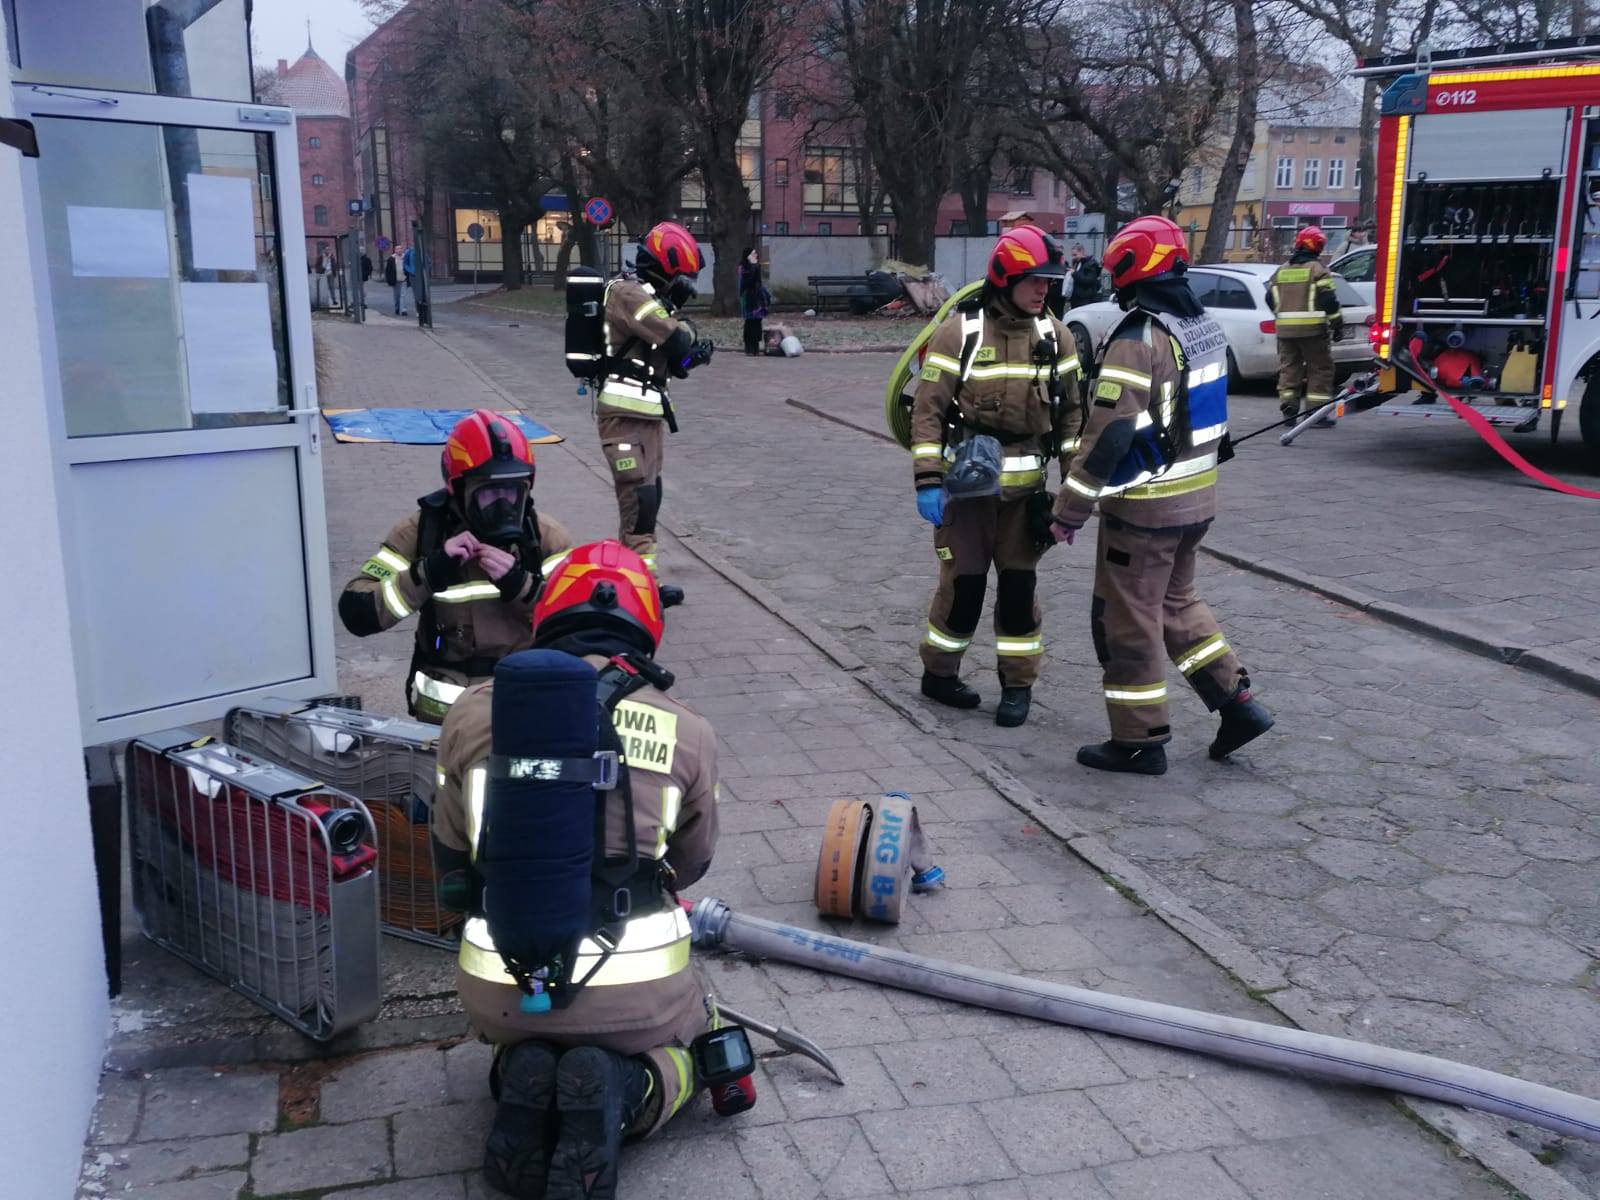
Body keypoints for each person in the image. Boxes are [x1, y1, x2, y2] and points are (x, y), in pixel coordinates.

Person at [431, 540, 720, 1199]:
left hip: (502, 979)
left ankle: (518, 1067)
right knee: (698, 1039)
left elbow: (448, 855)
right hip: (641, 991)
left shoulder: (471, 711)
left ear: (547, 616)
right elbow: (694, 862)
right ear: (648, 624)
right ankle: (635, 1089)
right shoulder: (689, 731)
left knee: (523, 1037)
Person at [1050, 215, 1273, 775]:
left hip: (1143, 512)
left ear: (1129, 269)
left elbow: (1108, 436)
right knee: (1177, 605)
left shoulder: (1138, 338)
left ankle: (1139, 741)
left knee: (1127, 621)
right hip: (1196, 502)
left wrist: (1069, 511)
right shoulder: (1200, 326)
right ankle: (1238, 704)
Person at [909, 224, 1084, 727]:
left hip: (1025, 496)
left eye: (1049, 281)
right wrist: (928, 479)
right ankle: (939, 675)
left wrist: (1072, 494)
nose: (1043, 289)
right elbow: (928, 410)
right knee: (963, 588)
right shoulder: (960, 332)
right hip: (967, 494)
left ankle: (1017, 686)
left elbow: (1072, 418)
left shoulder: (1056, 336)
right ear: (1006, 278)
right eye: (1034, 280)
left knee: (1018, 592)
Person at [337, 409, 573, 723]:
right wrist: (428, 573)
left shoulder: (544, 537)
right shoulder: (421, 534)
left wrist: (523, 586)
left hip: (523, 701)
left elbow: (577, 622)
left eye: (512, 492)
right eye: (489, 493)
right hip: (446, 717)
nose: (503, 506)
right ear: (458, 488)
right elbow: (358, 613)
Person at [594, 221, 713, 598]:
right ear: (665, 267)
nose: (682, 284)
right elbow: (676, 338)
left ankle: (640, 583)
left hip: (646, 419)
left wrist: (691, 354)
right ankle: (638, 593)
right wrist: (684, 327)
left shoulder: (648, 298)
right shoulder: (629, 294)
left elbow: (676, 359)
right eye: (680, 277)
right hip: (625, 421)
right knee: (639, 507)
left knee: (648, 502)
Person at [1267, 224, 1343, 426]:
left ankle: (1289, 410)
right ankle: (1315, 414)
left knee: (1289, 369)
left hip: (1285, 332)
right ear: (1316, 246)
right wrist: (1337, 323)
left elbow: (1269, 298)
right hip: (1313, 332)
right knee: (1320, 369)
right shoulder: (1318, 270)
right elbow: (1329, 301)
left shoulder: (1281, 270)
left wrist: (1282, 315)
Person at [738, 247, 768, 355]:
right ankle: (749, 346)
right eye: (753, 254)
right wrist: (754, 268)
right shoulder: (743, 268)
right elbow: (746, 282)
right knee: (749, 322)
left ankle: (756, 346)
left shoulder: (756, 266)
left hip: (757, 297)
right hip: (748, 297)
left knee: (757, 322)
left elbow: (758, 282)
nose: (755, 255)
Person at [385, 247, 406, 316]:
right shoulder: (391, 259)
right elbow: (388, 270)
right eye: (398, 249)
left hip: (404, 279)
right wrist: (388, 280)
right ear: (395, 250)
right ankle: (397, 308)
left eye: (401, 248)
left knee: (403, 295)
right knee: (397, 295)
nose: (400, 250)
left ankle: (403, 309)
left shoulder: (405, 257)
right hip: (395, 280)